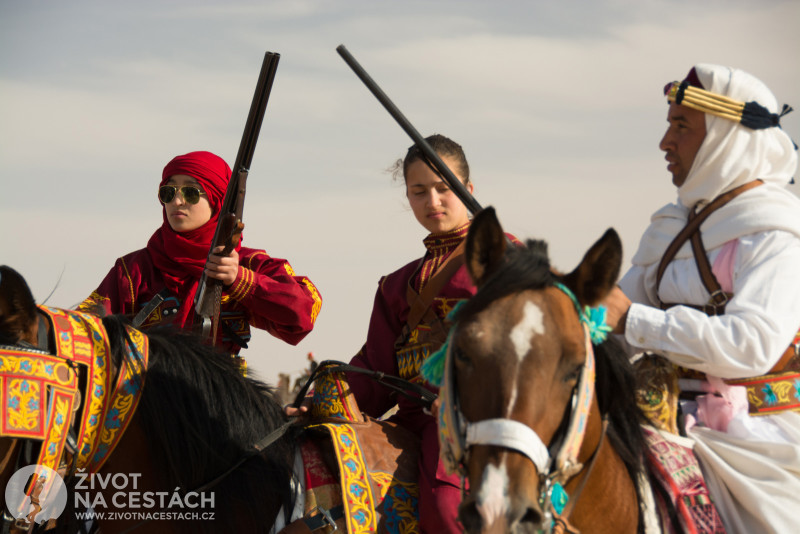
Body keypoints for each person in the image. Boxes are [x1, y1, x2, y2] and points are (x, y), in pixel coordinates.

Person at [604, 64, 800, 533]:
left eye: (681, 126)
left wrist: (634, 321)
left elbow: (751, 345)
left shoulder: (774, 233)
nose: (664, 142)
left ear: (725, 140)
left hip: (760, 442)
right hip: (663, 423)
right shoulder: (674, 227)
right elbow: (611, 317)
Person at [345, 135, 517, 533]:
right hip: (413, 425)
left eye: (444, 188)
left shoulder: (505, 260)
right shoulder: (396, 285)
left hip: (479, 421)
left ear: (468, 191)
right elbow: (376, 365)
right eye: (419, 191)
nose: (433, 201)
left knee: (446, 513)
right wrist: (331, 399)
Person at [79, 150, 322, 358]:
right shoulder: (133, 270)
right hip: (147, 399)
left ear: (218, 201)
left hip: (216, 401)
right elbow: (85, 329)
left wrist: (239, 280)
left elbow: (302, 313)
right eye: (168, 193)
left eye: (191, 192)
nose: (177, 201)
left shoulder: (246, 262)